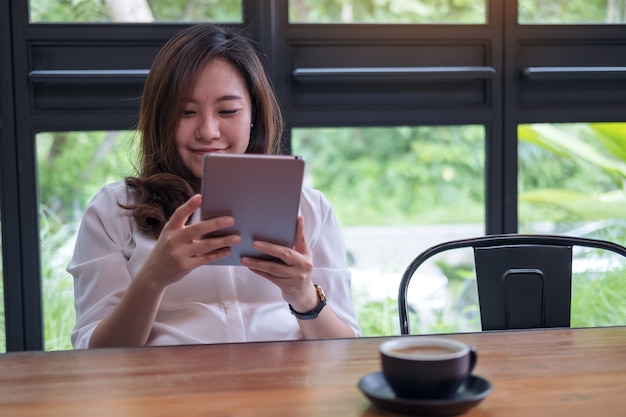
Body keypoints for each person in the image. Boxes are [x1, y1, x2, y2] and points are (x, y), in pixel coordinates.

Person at [68, 23, 361, 348]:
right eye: (186, 112)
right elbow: (95, 356)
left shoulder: (308, 208)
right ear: (161, 119)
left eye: (228, 111)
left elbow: (346, 349)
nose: (208, 131)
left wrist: (303, 295)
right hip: (166, 392)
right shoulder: (114, 211)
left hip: (285, 388)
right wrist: (153, 279)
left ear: (253, 114)